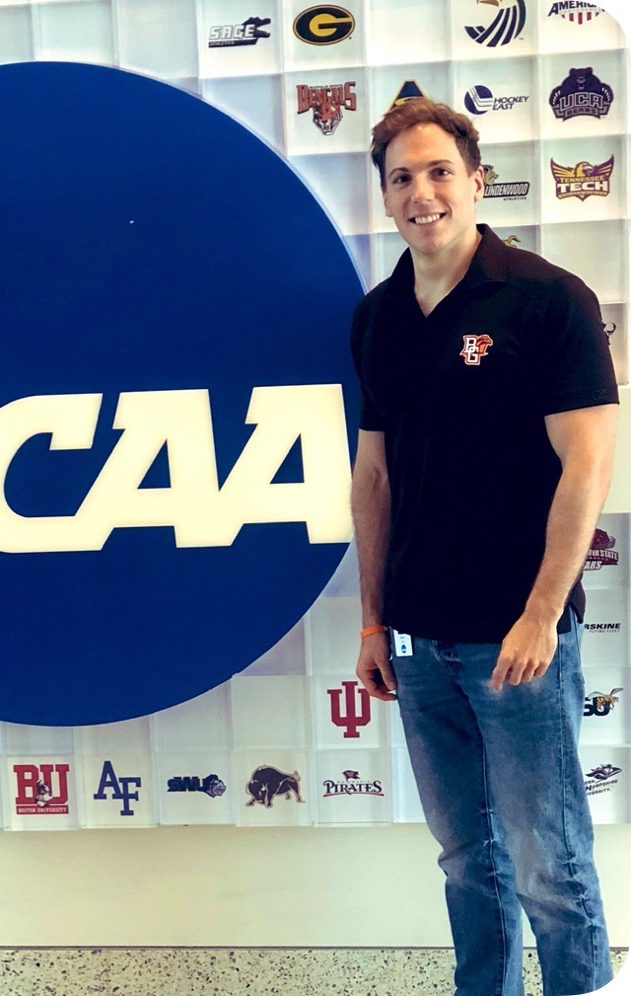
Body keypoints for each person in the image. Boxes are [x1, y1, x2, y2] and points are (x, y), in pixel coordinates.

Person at [350, 98, 618, 996]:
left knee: (548, 860)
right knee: (467, 859)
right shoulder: (377, 318)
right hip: (418, 642)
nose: (420, 193)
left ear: (475, 180)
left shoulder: (546, 299)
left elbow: (587, 465)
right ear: (384, 195)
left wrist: (540, 614)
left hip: (516, 639)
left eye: (438, 172)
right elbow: (373, 478)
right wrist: (373, 621)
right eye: (401, 178)